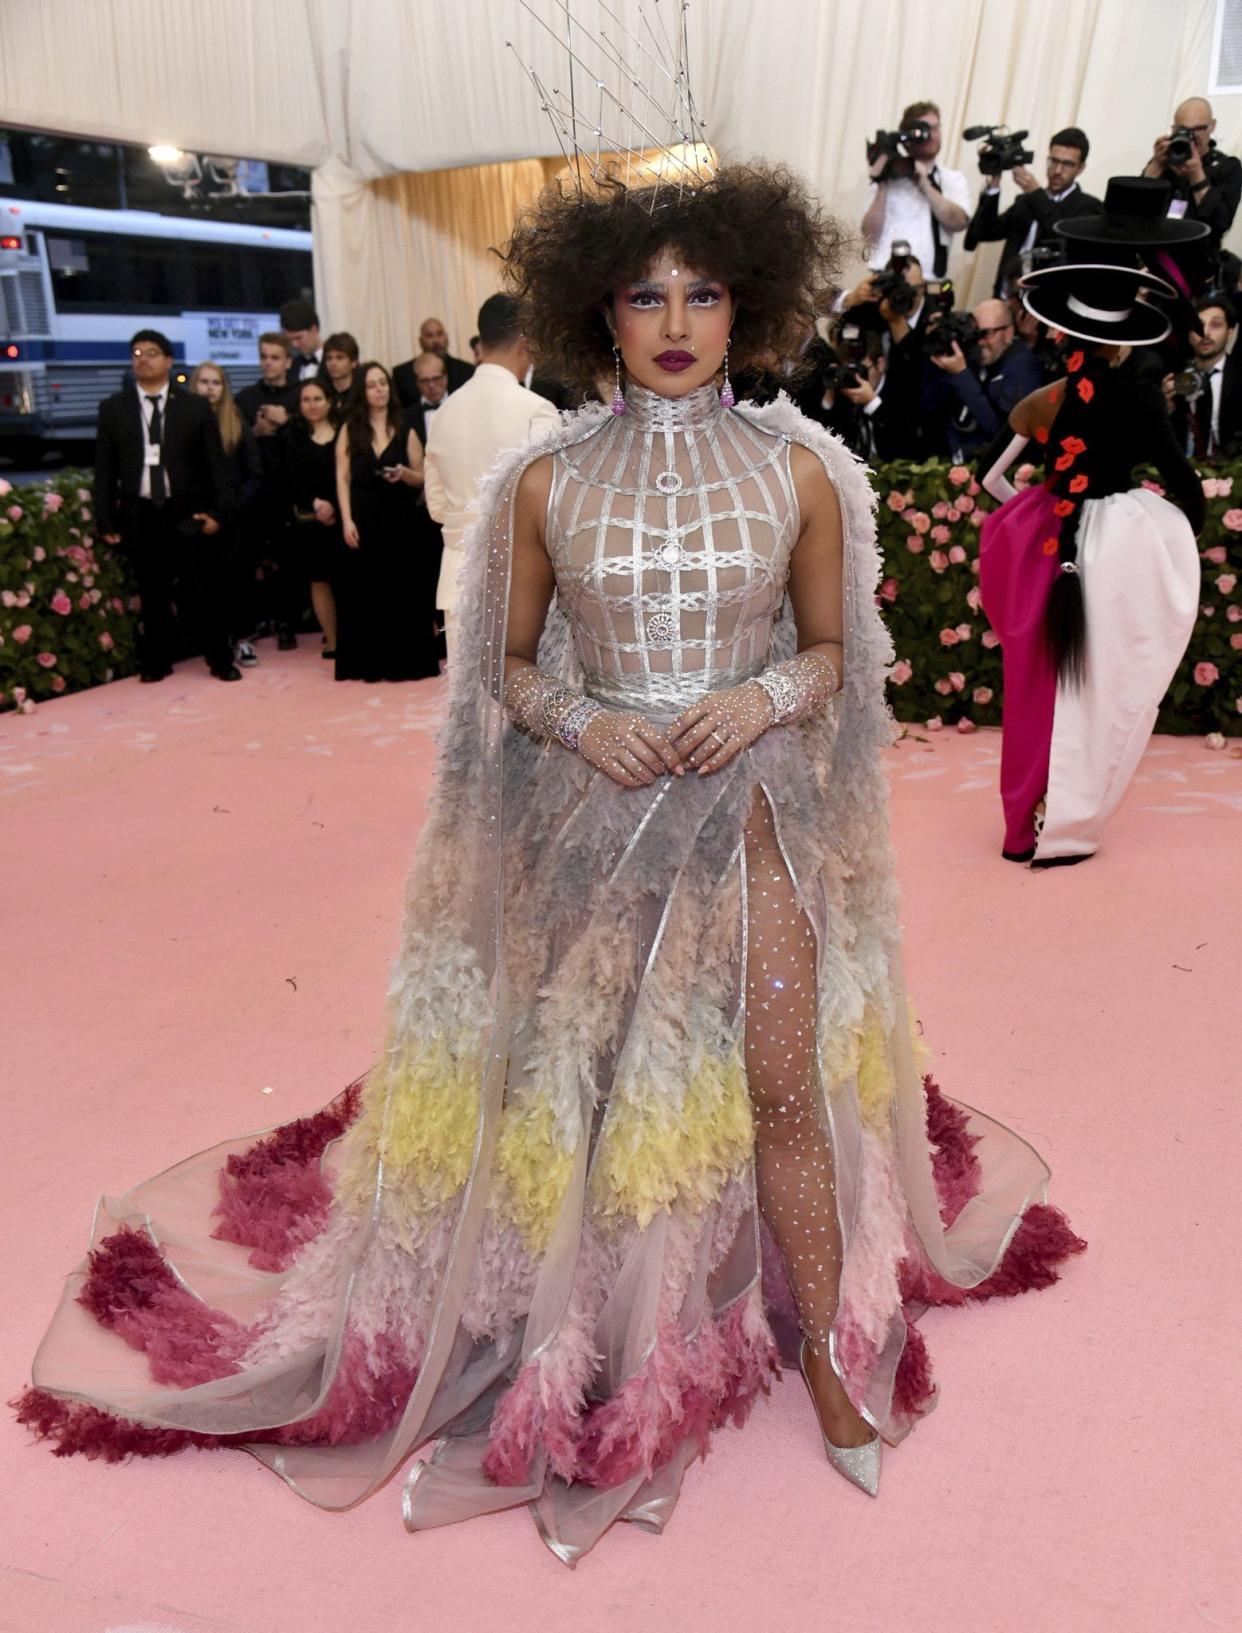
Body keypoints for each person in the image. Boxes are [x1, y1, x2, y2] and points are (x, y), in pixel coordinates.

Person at [20, 162, 1084, 1563]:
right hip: (593, 823)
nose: (675, 319)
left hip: (755, 812)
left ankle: (825, 1347)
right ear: (600, 309)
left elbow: (832, 656)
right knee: (590, 1093)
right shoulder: (544, 479)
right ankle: (593, 1335)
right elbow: (506, 676)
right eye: (645, 291)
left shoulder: (797, 471)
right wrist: (585, 717)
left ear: (746, 303)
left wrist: (758, 698)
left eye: (703, 290)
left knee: (777, 1074)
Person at [978, 181, 1208, 868]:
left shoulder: (1046, 397)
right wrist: (1175, 538)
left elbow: (989, 476)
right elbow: (1186, 486)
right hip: (1108, 558)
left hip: (1045, 546)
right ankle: (1067, 818)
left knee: (1030, 691)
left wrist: (1021, 513)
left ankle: (1023, 827)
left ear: (1064, 327)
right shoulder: (1140, 399)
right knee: (1095, 693)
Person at [423, 293, 560, 658]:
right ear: (525, 342)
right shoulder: (536, 410)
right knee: (523, 704)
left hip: (457, 578)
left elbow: (436, 506)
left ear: (481, 340)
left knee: (469, 704)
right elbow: (552, 508)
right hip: (523, 582)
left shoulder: (444, 413)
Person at [93, 329, 230, 682]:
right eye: (137, 352)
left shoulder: (195, 406)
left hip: (187, 513)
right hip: (140, 514)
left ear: (168, 361)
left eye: (152, 352)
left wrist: (217, 513)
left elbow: (216, 465)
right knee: (151, 593)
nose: (143, 358)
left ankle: (220, 659)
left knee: (201, 591)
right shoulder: (113, 409)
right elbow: (105, 471)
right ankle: (157, 661)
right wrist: (106, 520)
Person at [333, 361, 440, 682]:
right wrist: (347, 520)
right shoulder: (350, 429)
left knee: (402, 591)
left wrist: (406, 474)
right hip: (365, 519)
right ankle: (371, 663)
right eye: (371, 384)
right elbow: (342, 476)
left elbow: (423, 475)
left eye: (383, 383)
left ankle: (407, 662)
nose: (379, 389)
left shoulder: (405, 426)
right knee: (368, 592)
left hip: (402, 521)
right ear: (361, 392)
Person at [190, 360, 263, 678]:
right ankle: (211, 645)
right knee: (205, 588)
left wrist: (232, 509)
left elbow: (254, 473)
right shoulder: (184, 424)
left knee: (238, 584)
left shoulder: (236, 421)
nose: (209, 388)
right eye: (204, 382)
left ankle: (243, 639)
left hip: (235, 521)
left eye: (216, 382)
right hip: (198, 520)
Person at [965, 128, 1101, 295]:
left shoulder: (1088, 207)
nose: (1058, 170)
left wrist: (1035, 193)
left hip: (1045, 303)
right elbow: (981, 233)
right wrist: (993, 185)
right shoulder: (1025, 202)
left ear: (1081, 168)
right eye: (1053, 161)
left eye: (1067, 164)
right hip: (1005, 297)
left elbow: (1063, 240)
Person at [235, 331, 301, 656]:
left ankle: (288, 622)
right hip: (255, 493)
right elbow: (232, 442)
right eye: (263, 356)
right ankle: (252, 623)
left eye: (275, 357)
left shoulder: (303, 395)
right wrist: (255, 432)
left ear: (288, 361)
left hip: (290, 492)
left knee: (289, 562)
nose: (268, 363)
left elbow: (312, 436)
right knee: (249, 559)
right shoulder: (245, 398)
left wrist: (287, 421)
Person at [861, 100, 970, 278]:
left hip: (929, 281)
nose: (931, 135)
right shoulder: (887, 178)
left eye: (935, 128)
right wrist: (882, 183)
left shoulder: (953, 179)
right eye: (923, 129)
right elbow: (869, 236)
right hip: (884, 276)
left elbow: (959, 223)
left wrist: (925, 184)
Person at [928, 295, 1047, 459]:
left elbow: (1001, 432)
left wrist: (962, 375)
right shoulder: (973, 357)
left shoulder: (1023, 368)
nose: (980, 342)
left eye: (987, 334)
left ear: (1008, 332)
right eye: (975, 334)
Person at [285, 377, 343, 658]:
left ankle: (352, 635)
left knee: (347, 578)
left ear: (329, 402)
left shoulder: (345, 431)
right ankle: (332, 640)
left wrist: (334, 505)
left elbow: (349, 474)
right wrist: (316, 504)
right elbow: (290, 479)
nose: (312, 405)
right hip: (312, 520)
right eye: (306, 400)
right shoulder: (292, 436)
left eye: (317, 399)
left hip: (344, 517)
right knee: (319, 580)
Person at [1141, 96, 1242, 249]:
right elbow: (1133, 210)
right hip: (1155, 250)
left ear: (1212, 126)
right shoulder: (1164, 162)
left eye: (1198, 129)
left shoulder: (1227, 166)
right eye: (1182, 130)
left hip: (1199, 257)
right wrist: (1157, 165)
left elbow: (1221, 223)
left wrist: (1197, 175)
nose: (1191, 136)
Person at [1168, 292, 1242, 459]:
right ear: (1188, 334)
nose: (1205, 333)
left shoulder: (1238, 375)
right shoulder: (1174, 376)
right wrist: (1165, 408)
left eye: (1215, 325)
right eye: (1197, 326)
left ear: (1230, 332)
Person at [394, 317, 474, 406]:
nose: (436, 340)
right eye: (429, 336)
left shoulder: (467, 371)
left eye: (439, 334)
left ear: (446, 338)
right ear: (420, 341)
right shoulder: (402, 374)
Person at [395, 352, 449, 449]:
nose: (431, 385)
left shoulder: (462, 408)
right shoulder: (405, 419)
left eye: (436, 378)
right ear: (417, 383)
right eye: (425, 381)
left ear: (445, 378)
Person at [280, 298, 326, 381]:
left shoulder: (339, 362)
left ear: (314, 330)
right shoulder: (289, 368)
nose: (294, 345)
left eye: (298, 338)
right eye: (290, 340)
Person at [321, 331, 360, 420]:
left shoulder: (361, 392)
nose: (333, 363)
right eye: (329, 358)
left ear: (354, 362)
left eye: (340, 357)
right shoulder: (323, 391)